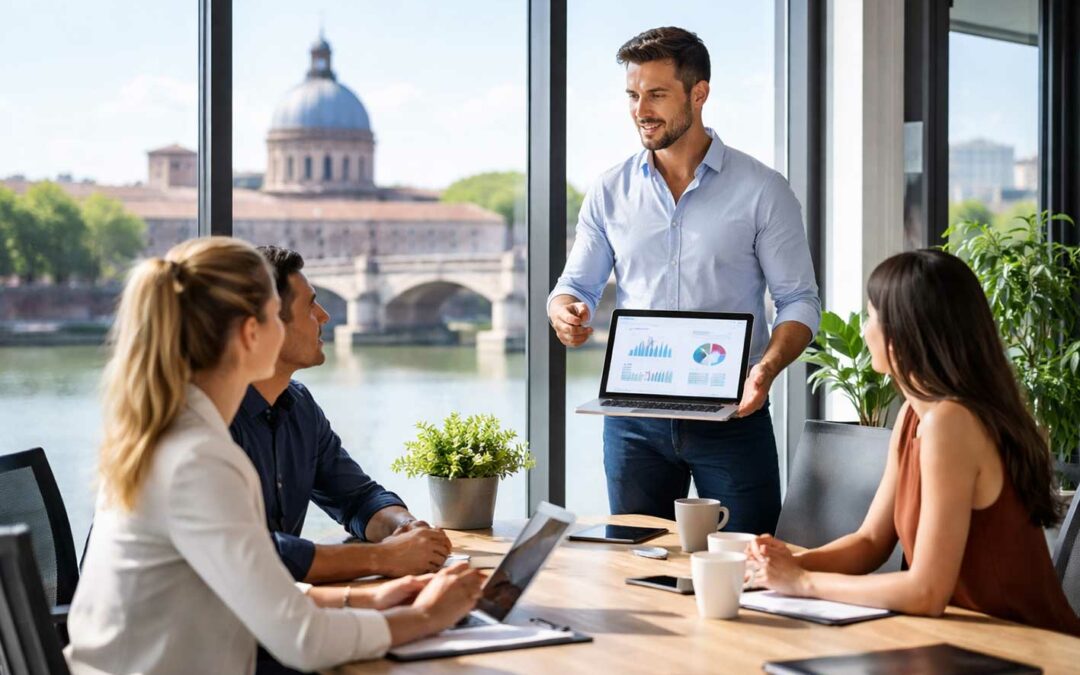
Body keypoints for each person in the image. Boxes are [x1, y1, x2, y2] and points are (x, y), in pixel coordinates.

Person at [66, 238, 485, 674]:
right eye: (284, 314)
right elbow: (302, 640)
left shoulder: (177, 434)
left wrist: (369, 598)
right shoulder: (198, 461)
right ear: (253, 332)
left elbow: (238, 578)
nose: (324, 317)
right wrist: (428, 617)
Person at [548, 27, 820, 534]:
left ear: (699, 93)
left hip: (733, 416)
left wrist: (765, 370)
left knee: (749, 566)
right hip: (632, 422)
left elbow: (800, 302)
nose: (640, 109)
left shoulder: (763, 190)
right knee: (635, 568)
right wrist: (564, 310)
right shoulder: (609, 190)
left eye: (656, 94)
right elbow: (575, 286)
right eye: (632, 94)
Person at [749, 249, 1080, 635]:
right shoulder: (914, 414)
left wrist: (802, 583)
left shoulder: (951, 423)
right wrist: (788, 563)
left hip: (1031, 650)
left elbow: (927, 591)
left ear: (904, 333)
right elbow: (871, 541)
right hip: (968, 642)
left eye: (871, 316)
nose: (866, 328)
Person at [229, 245, 450, 587]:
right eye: (309, 305)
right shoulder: (213, 419)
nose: (324, 316)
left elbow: (356, 497)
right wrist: (386, 557)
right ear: (264, 324)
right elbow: (253, 553)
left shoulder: (298, 405)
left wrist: (403, 527)